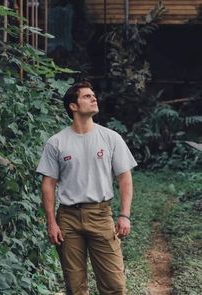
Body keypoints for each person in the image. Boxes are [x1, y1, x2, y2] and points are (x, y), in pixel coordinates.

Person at [36, 81, 137, 295]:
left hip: (101, 215)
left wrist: (124, 215)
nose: (94, 98)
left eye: (94, 95)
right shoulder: (57, 142)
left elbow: (125, 178)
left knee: (115, 285)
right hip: (68, 219)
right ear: (73, 106)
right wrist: (51, 223)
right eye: (87, 96)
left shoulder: (110, 138)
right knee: (75, 286)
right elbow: (48, 185)